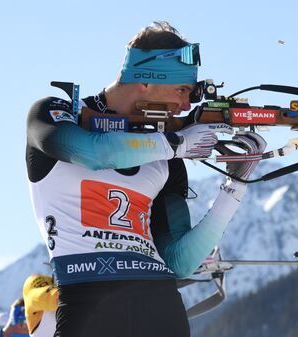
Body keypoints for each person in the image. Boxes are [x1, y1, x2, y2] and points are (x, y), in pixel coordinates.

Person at [26, 21, 265, 337]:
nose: (184, 105)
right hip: (88, 300)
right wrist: (176, 144)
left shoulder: (165, 153)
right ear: (145, 80)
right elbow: (91, 152)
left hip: (160, 304)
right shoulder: (57, 112)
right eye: (181, 90)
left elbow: (180, 262)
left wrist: (235, 186)